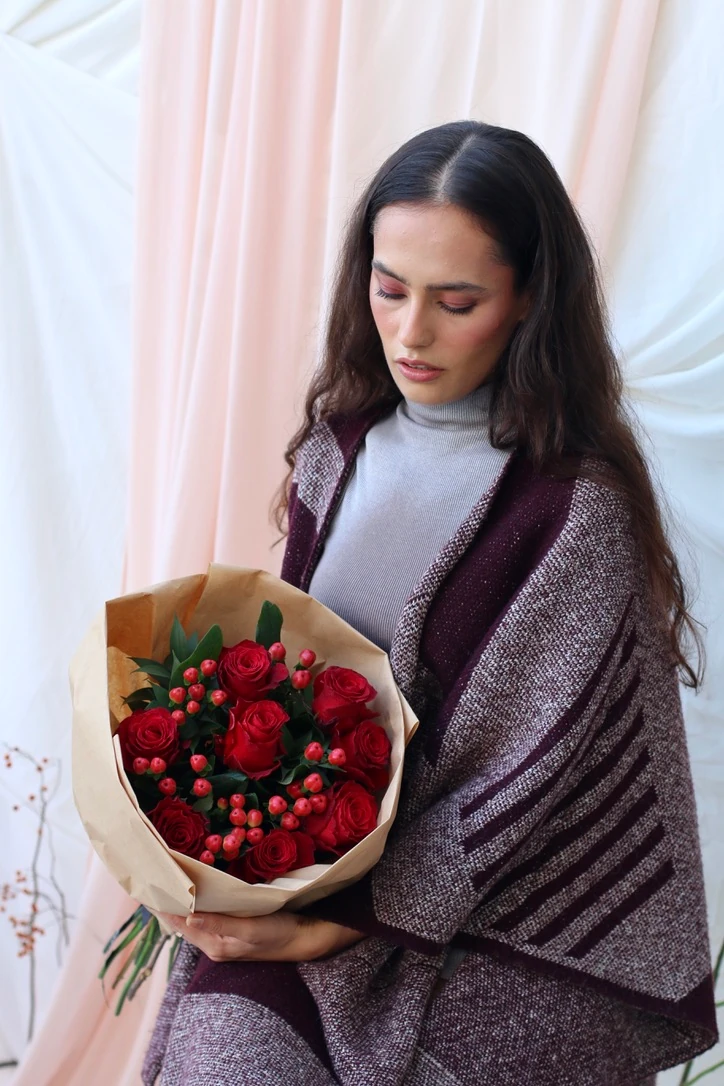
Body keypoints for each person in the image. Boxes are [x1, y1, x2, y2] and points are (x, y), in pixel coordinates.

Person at [143, 120, 717, 1086]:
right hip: (333, 882)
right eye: (390, 287)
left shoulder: (573, 510)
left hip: (513, 927)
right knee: (222, 1058)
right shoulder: (339, 448)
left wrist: (335, 927)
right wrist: (213, 866)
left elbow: (519, 782)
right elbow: (291, 695)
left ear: (530, 297)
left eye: (458, 301)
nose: (411, 332)